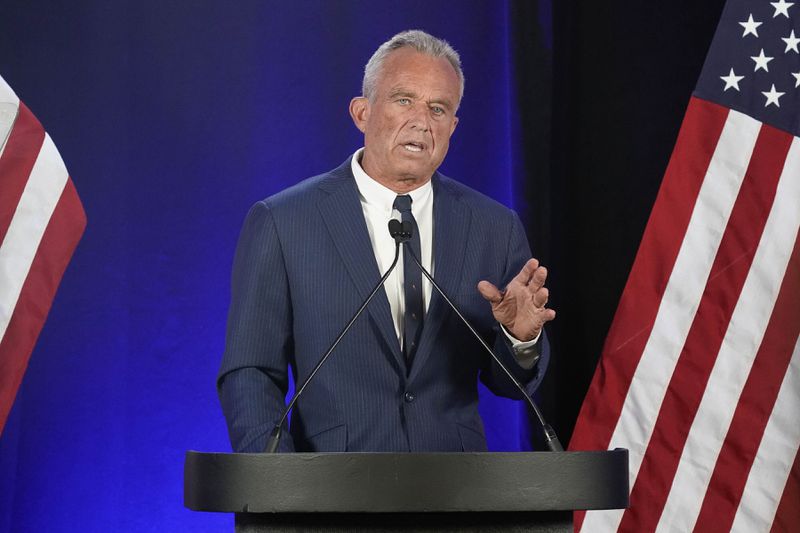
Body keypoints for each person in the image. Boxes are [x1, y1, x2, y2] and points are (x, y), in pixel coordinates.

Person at [218, 30, 556, 453]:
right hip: (329, 496)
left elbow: (510, 386)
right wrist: (278, 486)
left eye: (438, 108)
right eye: (403, 100)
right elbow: (250, 372)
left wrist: (519, 340)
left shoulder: (493, 226)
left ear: (452, 126)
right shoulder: (284, 222)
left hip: (457, 498)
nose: (421, 121)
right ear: (362, 112)